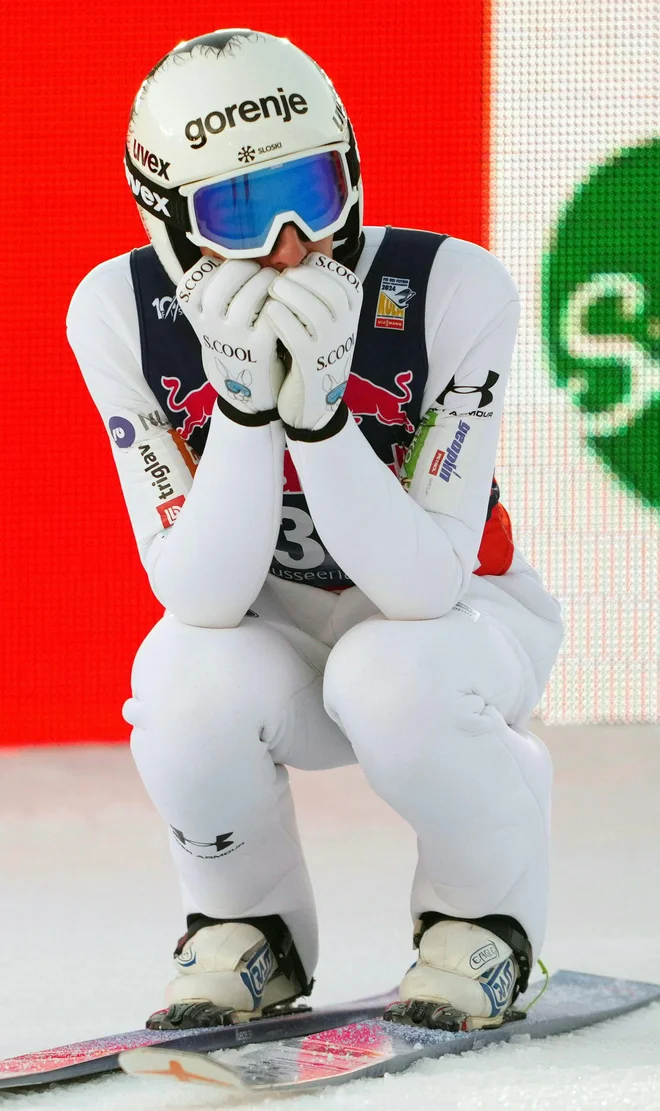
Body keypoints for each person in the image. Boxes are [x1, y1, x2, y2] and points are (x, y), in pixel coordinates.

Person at [66, 29, 563, 1032]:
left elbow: (423, 585)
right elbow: (201, 594)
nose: (292, 244)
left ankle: (487, 919)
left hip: (462, 631)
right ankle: (247, 928)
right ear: (168, 225)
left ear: (356, 178)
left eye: (316, 193)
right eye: (239, 212)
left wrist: (326, 416)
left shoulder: (453, 291)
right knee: (177, 674)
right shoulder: (120, 314)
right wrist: (251, 412)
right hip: (282, 642)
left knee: (392, 670)